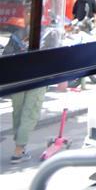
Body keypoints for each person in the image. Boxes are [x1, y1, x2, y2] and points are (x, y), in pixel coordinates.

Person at [4, 16, 60, 163]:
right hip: (37, 80)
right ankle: (18, 150)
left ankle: (19, 146)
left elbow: (6, 57)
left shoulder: (17, 34)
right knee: (29, 114)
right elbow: (55, 58)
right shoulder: (51, 34)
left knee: (18, 113)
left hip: (17, 79)